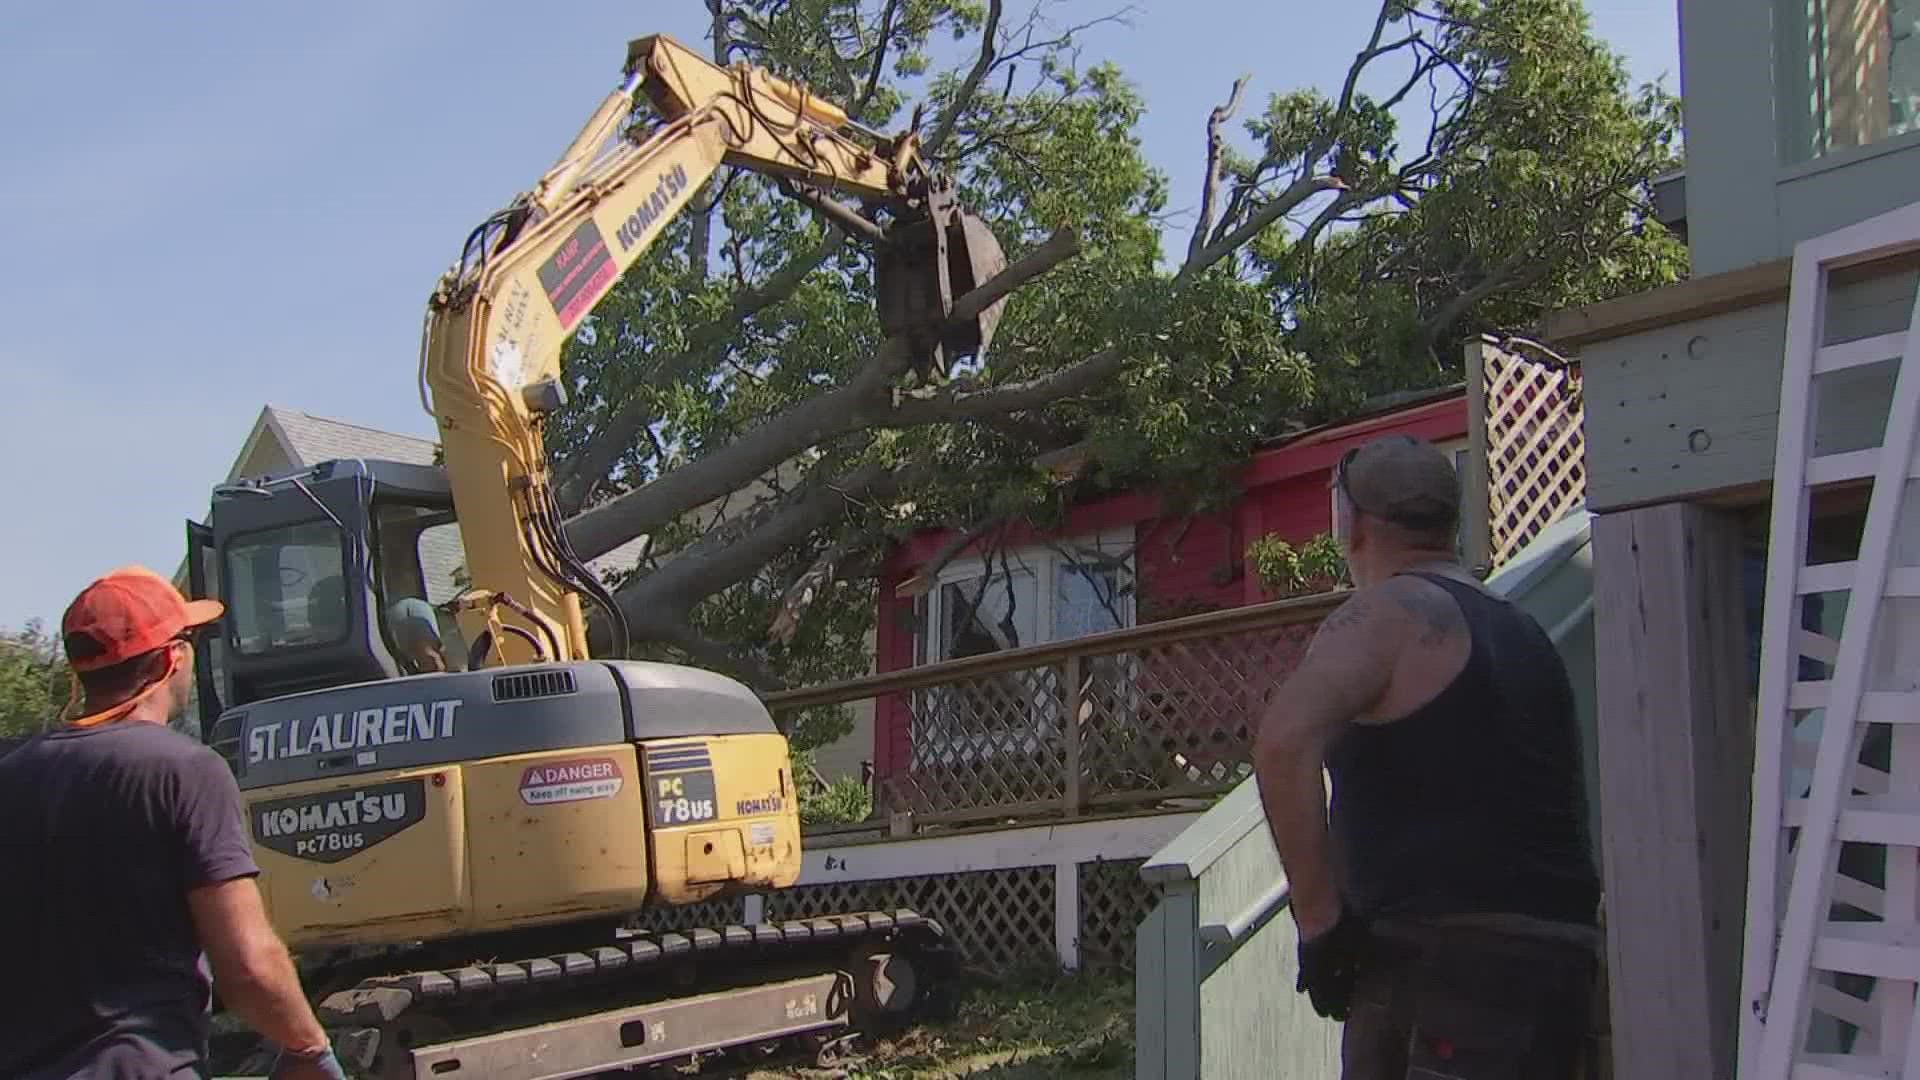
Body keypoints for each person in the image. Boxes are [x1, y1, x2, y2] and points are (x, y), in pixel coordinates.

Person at [1252, 436, 1601, 1079]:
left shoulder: (1390, 613)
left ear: (1350, 523)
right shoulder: (1522, 629)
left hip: (1444, 969)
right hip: (1560, 966)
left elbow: (1282, 742)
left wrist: (1322, 925)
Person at [0, 565, 345, 1079]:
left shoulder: (11, 769)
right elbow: (248, 965)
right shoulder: (184, 770)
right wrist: (309, 1050)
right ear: (170, 658)